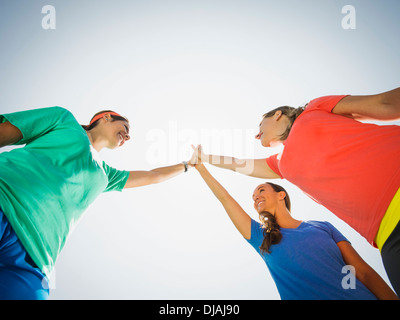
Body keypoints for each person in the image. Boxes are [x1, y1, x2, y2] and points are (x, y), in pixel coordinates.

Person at [195, 87, 400, 296]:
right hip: (388, 234)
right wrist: (206, 158)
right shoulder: (280, 164)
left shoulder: (313, 109)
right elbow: (239, 165)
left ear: (277, 115)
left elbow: (386, 103)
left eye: (260, 125)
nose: (257, 135)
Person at [0, 107, 195, 299]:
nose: (127, 137)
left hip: (36, 257)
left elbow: (154, 176)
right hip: (4, 201)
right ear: (106, 117)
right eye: (125, 128)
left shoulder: (105, 175)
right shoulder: (63, 120)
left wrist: (187, 165)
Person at [192, 155, 398, 299]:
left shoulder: (323, 226)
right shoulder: (260, 238)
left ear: (281, 194)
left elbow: (363, 272)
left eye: (261, 190)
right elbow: (225, 198)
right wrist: (201, 168)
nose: (256, 198)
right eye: (253, 198)